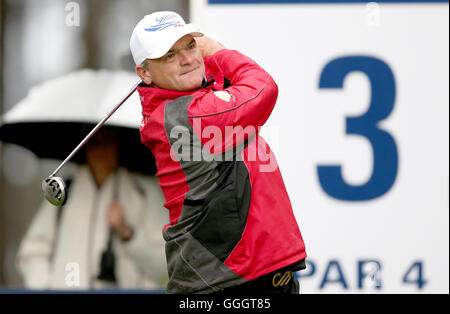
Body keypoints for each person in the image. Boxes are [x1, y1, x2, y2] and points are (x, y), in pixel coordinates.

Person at [130, 11, 307, 294]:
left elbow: (220, 84)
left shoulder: (191, 100)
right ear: (145, 73)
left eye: (190, 46)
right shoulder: (181, 117)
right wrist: (215, 51)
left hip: (257, 276)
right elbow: (262, 87)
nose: (188, 58)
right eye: (169, 55)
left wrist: (206, 61)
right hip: (222, 282)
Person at [16, 129, 168, 290]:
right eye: (94, 141)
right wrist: (47, 287)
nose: (100, 148)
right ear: (85, 146)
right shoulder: (64, 189)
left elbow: (165, 266)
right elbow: (32, 252)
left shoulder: (143, 191)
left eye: (107, 140)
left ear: (118, 144)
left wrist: (127, 234)